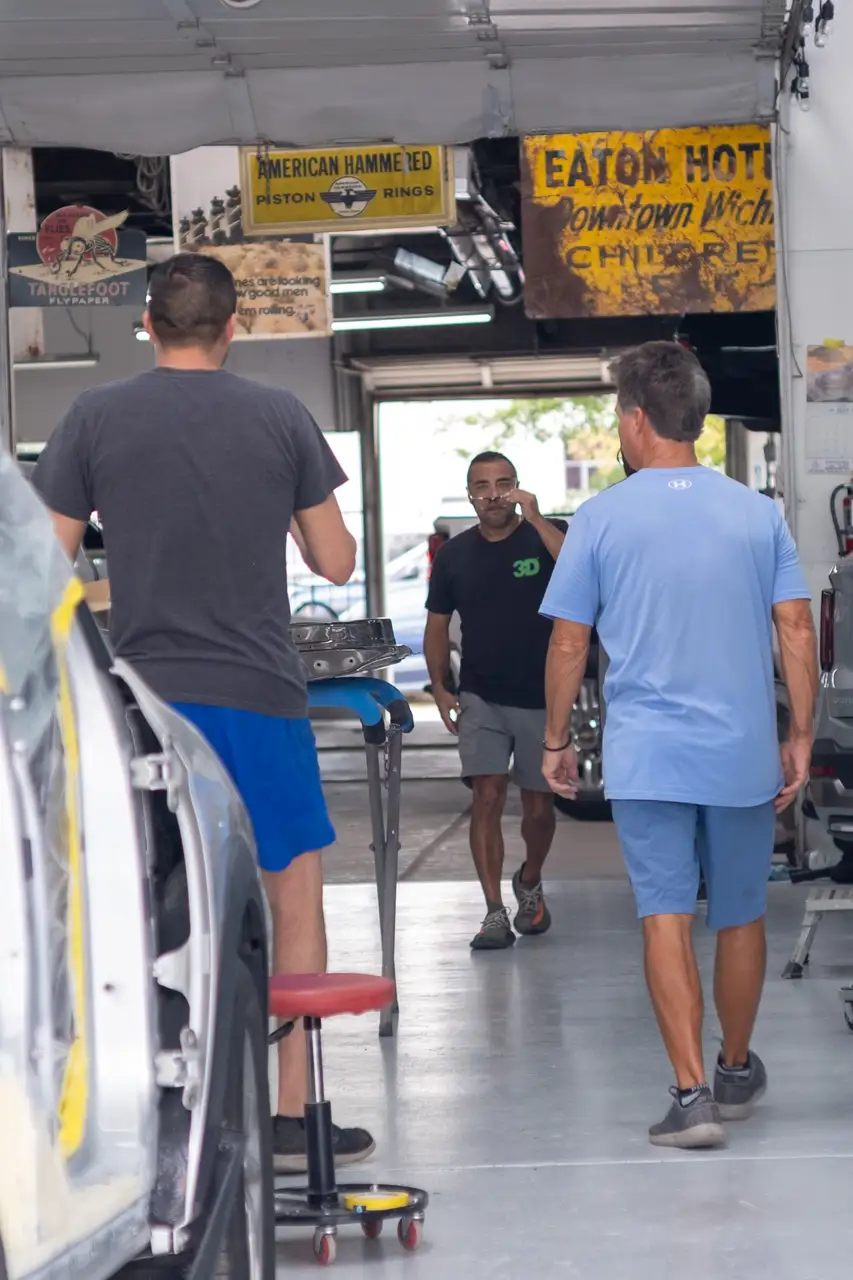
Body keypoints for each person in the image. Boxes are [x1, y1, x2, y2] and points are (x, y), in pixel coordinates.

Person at [32, 252, 375, 1173]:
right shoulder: (279, 416)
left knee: (138, 902)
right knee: (292, 896)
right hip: (258, 695)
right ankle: (294, 1116)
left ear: (147, 323)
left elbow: (40, 565)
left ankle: (145, 1114)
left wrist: (121, 584)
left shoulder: (93, 416)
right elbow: (337, 561)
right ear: (233, 328)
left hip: (140, 711)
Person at [540, 341, 817, 1150]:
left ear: (633, 419)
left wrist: (557, 739)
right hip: (738, 750)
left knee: (663, 913)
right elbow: (794, 628)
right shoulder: (754, 513)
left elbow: (567, 645)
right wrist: (796, 734)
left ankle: (690, 1096)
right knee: (738, 914)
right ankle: (734, 1070)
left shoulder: (598, 518)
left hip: (647, 754)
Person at [424, 451, 567, 950]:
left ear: (517, 488)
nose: (493, 494)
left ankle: (529, 879)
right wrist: (441, 687)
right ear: (469, 494)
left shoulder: (544, 537)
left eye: (503, 484)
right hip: (480, 692)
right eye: (482, 485)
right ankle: (492, 913)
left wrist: (538, 516)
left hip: (540, 694)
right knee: (485, 796)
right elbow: (438, 626)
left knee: (539, 809)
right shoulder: (454, 556)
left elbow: (578, 567)